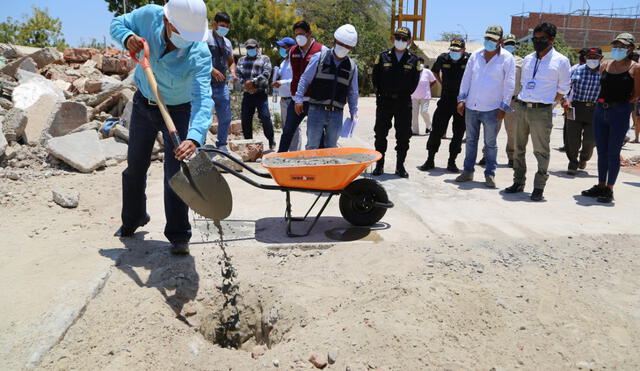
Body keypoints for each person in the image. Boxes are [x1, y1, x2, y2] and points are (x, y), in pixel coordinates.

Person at [110, 0, 213, 255]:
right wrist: (128, 38)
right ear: (167, 22)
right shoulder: (148, 16)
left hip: (177, 111)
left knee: (175, 173)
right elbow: (117, 24)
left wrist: (195, 137)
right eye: (182, 34)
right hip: (144, 103)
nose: (187, 40)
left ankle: (179, 234)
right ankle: (133, 219)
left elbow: (203, 98)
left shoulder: (199, 51)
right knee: (135, 166)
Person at [505, 22, 571, 201]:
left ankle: (539, 187)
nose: (538, 41)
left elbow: (563, 88)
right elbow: (524, 84)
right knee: (519, 148)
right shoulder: (528, 58)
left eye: (542, 38)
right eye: (535, 38)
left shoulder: (561, 61)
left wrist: (550, 104)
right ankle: (518, 182)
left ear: (551, 39)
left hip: (542, 111)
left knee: (541, 150)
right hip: (522, 107)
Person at [581, 33, 640, 203]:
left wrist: (622, 105)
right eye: (616, 45)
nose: (618, 49)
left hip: (619, 112)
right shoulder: (605, 65)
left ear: (630, 48)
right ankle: (600, 185)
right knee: (601, 151)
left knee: (613, 153)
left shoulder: (635, 68)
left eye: (622, 46)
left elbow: (636, 94)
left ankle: (609, 189)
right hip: (601, 110)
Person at [455, 25, 515, 188]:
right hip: (471, 106)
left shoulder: (507, 58)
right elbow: (466, 78)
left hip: (492, 109)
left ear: (500, 41)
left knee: (490, 143)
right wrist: (461, 99)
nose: (489, 41)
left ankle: (490, 174)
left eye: (493, 39)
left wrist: (504, 106)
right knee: (471, 141)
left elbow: (509, 84)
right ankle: (468, 172)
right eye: (487, 38)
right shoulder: (475, 55)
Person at [294, 24, 359, 149]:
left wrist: (353, 112)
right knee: (312, 146)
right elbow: (305, 79)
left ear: (351, 48)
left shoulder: (352, 67)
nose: (344, 48)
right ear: (335, 41)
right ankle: (312, 168)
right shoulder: (319, 58)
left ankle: (327, 169)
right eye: (342, 44)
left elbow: (353, 92)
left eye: (348, 46)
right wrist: (298, 99)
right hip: (316, 111)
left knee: (331, 148)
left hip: (337, 114)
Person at [371, 26, 421, 178]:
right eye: (397, 37)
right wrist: (380, 95)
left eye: (404, 39)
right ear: (393, 38)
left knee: (404, 135)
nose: (400, 41)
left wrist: (403, 93)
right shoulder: (383, 56)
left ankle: (400, 166)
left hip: (403, 102)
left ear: (409, 41)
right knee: (380, 134)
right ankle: (379, 165)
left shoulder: (414, 59)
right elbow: (375, 77)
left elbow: (414, 82)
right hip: (385, 100)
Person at [418, 38, 470, 173]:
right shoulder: (443, 58)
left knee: (458, 132)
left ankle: (452, 161)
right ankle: (430, 159)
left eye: (457, 50)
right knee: (437, 129)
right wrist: (442, 84)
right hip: (445, 98)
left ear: (463, 50)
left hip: (461, 100)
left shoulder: (469, 59)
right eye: (452, 50)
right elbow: (435, 72)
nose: (454, 52)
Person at [277, 21, 328, 152]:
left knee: (317, 135)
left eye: (301, 34)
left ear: (309, 33)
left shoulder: (322, 50)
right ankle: (278, 160)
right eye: (296, 35)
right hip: (296, 100)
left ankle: (321, 163)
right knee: (287, 131)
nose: (298, 37)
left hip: (314, 101)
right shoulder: (293, 51)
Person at [564, 47, 602, 175]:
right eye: (590, 57)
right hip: (575, 107)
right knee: (572, 139)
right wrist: (565, 99)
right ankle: (573, 162)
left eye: (595, 57)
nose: (592, 60)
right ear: (586, 58)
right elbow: (565, 86)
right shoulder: (576, 70)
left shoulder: (604, 72)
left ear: (600, 58)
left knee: (590, 140)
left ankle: (584, 158)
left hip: (595, 109)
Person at [237, 39, 276, 150]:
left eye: (252, 47)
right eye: (248, 48)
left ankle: (271, 138)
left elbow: (266, 74)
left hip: (260, 94)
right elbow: (238, 74)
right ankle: (249, 143)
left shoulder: (264, 58)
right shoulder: (241, 60)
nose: (250, 49)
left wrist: (253, 82)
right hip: (247, 94)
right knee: (245, 119)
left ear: (257, 47)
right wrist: (244, 83)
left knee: (265, 116)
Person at [206, 11, 236, 152]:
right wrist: (211, 69)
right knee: (204, 116)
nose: (224, 28)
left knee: (225, 116)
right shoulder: (204, 37)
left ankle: (222, 144)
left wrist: (233, 72)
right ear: (214, 23)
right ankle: (199, 145)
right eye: (222, 25)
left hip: (221, 84)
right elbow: (198, 57)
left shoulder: (227, 42)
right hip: (205, 83)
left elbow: (231, 62)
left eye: (227, 26)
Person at [272, 37, 302, 151]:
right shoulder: (283, 62)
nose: (281, 50)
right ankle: (289, 151)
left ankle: (295, 152)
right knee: (286, 128)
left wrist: (282, 82)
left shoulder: (296, 62)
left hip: (292, 99)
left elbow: (297, 79)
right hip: (283, 99)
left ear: (291, 48)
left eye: (283, 47)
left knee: (294, 128)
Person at [411, 57, 437, 135]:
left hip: (425, 96)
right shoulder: (412, 71)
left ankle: (429, 126)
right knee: (414, 114)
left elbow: (434, 81)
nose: (419, 64)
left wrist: (428, 87)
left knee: (424, 112)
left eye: (421, 63)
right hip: (414, 96)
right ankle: (415, 131)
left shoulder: (427, 72)